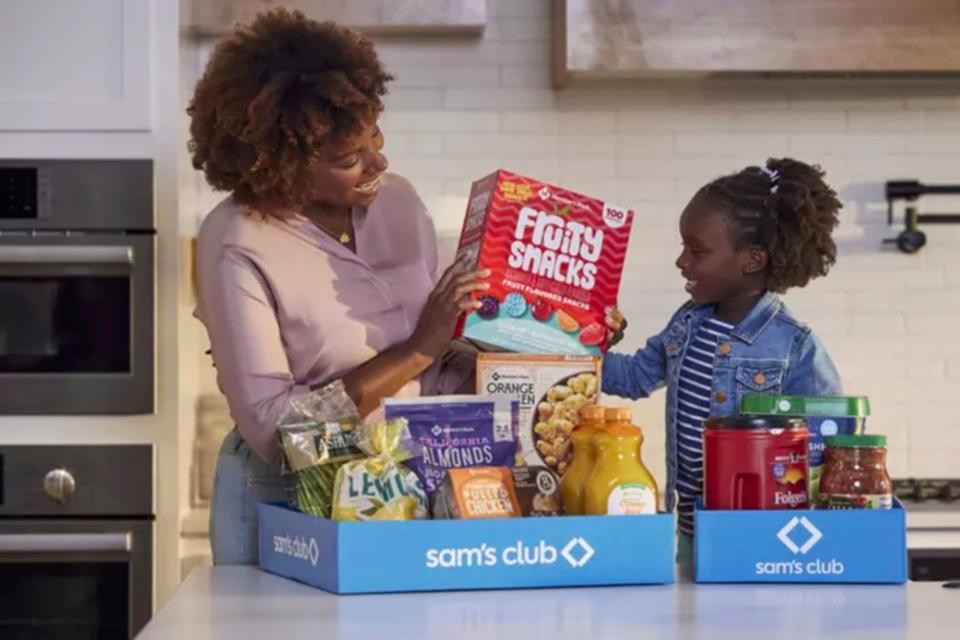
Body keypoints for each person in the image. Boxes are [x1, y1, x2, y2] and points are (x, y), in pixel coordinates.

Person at [187, 8, 487, 564]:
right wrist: (417, 349)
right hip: (290, 502)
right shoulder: (235, 240)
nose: (380, 160)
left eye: (375, 134)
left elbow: (443, 354)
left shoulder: (398, 200)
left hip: (408, 484)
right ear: (280, 162)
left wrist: (542, 332)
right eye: (349, 158)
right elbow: (279, 438)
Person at [602, 157, 843, 562]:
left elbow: (827, 453)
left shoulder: (794, 345)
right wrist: (587, 343)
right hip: (689, 533)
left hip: (759, 537)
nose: (682, 261)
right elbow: (631, 378)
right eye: (684, 247)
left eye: (696, 250)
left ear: (752, 259)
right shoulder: (687, 323)